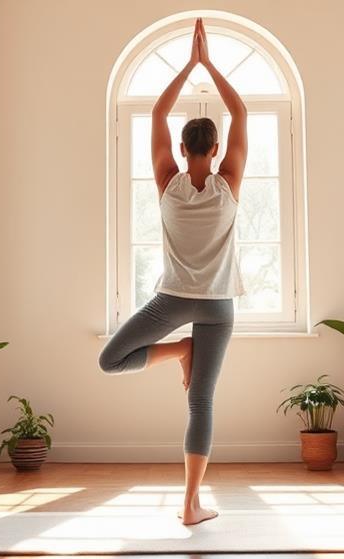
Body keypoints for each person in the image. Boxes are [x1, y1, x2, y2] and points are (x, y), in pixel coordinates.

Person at [98, 18, 247, 526]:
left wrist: (188, 64)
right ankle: (190, 505)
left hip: (175, 299)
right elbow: (241, 110)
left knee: (111, 360)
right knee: (201, 402)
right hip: (219, 305)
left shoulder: (168, 182)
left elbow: (159, 111)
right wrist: (212, 64)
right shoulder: (229, 183)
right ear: (218, 149)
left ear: (183, 149)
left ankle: (177, 350)